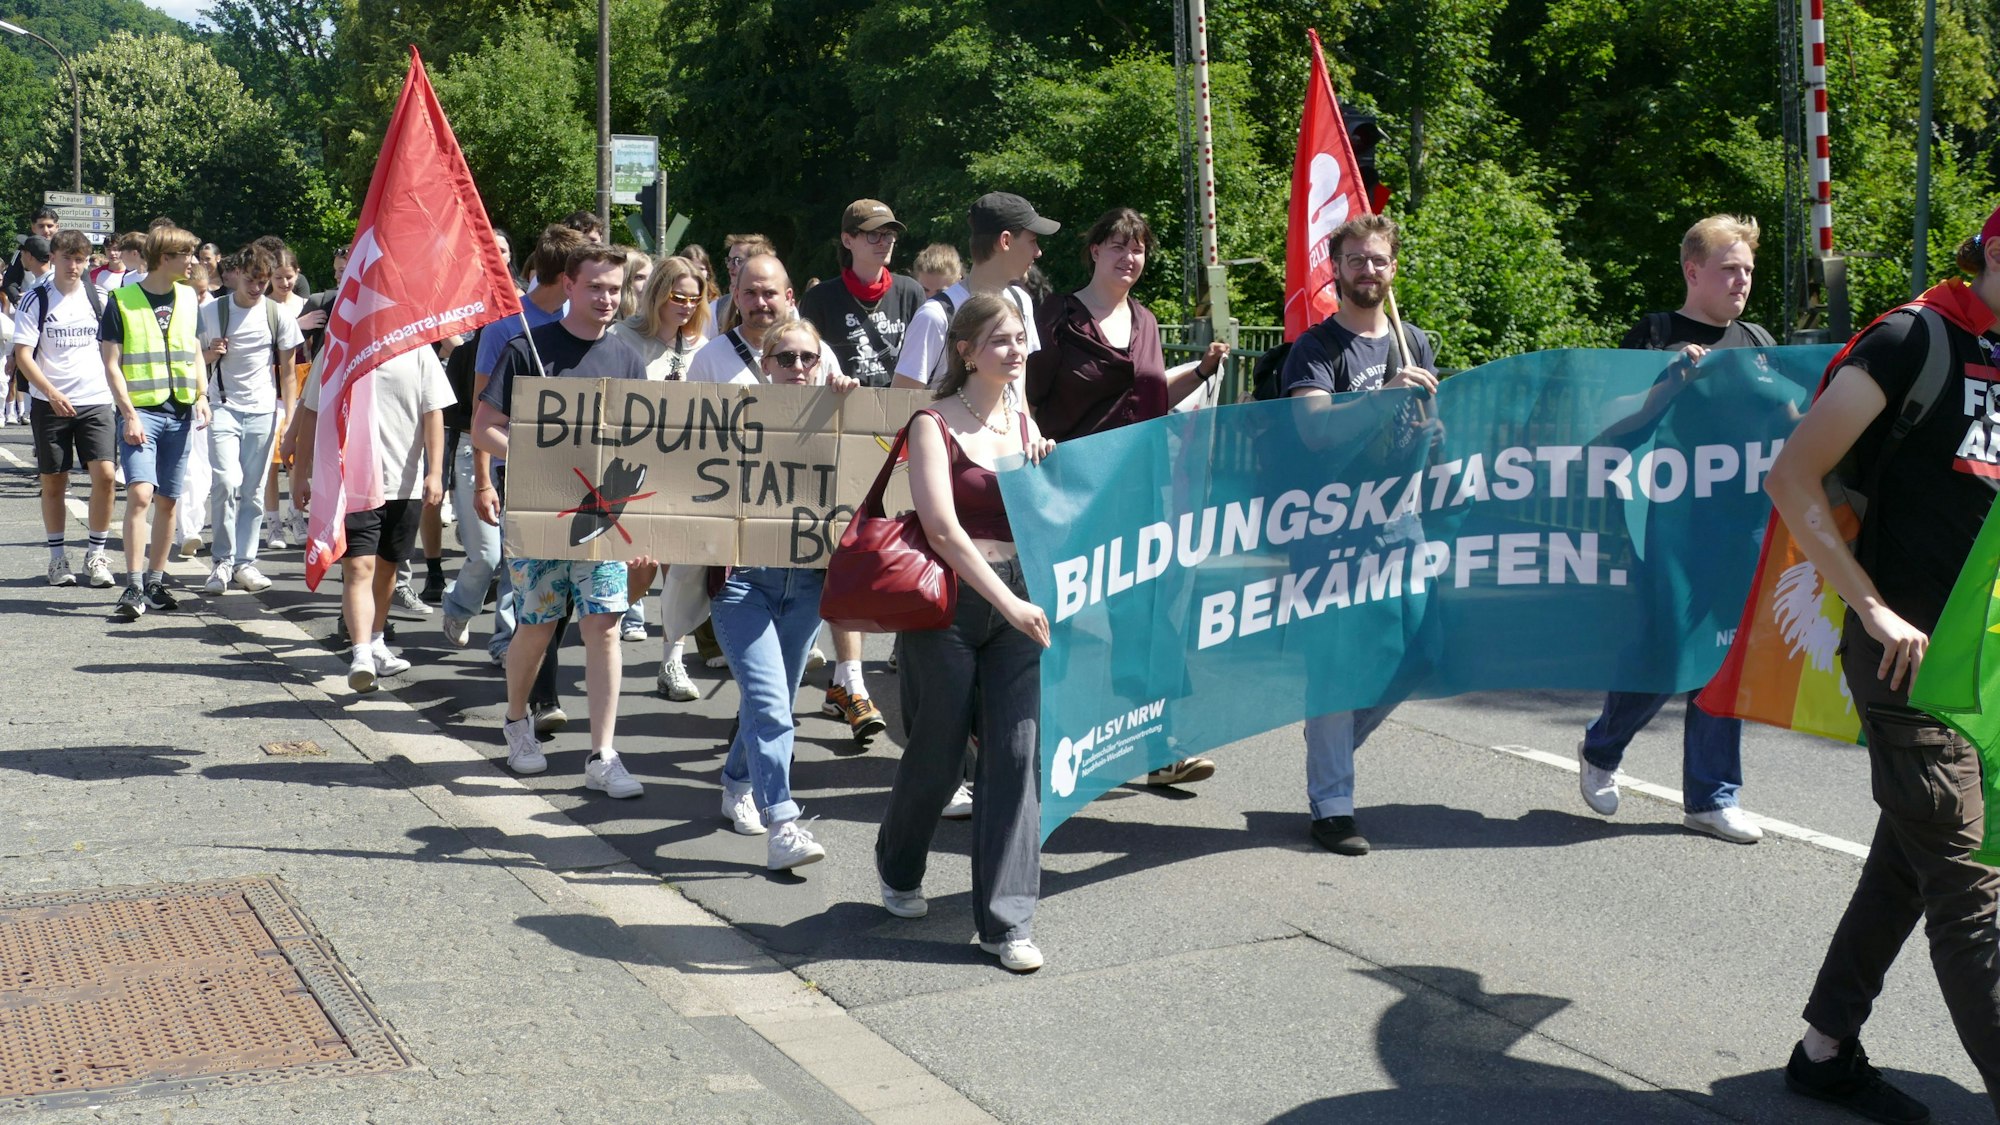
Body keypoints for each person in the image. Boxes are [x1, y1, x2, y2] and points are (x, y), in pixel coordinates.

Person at [1763, 213, 2000, 1125]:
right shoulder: (1916, 337)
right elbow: (1794, 475)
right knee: (1971, 894)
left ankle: (1825, 1050)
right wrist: (1870, 604)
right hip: (1912, 666)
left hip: (1983, 671)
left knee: (1908, 861)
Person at [1574, 215, 1772, 844]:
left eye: (1747, 269)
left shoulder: (1759, 338)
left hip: (1741, 527)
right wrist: (1667, 381)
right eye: (1728, 268)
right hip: (1669, 524)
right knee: (1667, 652)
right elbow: (1612, 425)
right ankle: (1603, 749)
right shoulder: (1656, 334)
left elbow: (1790, 417)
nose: (1741, 280)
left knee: (1724, 653)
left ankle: (1712, 797)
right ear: (1693, 271)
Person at [876, 294, 1055, 972]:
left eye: (1020, 340)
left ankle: (1008, 923)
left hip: (1018, 605)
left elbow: (1040, 509)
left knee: (1015, 757)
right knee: (939, 755)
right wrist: (1008, 603)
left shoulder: (1021, 415)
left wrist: (1043, 457)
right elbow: (944, 531)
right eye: (1002, 341)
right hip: (949, 607)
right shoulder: (932, 422)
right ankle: (897, 863)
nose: (1016, 351)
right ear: (966, 350)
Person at [1027, 207, 1229, 788]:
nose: (1128, 258)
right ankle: (1036, 743)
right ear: (1094, 251)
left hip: (1137, 488)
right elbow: (1026, 399)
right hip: (1069, 491)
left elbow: (1149, 398)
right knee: (1054, 616)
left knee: (1144, 617)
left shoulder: (1145, 320)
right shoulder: (1057, 316)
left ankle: (1158, 745)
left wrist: (1201, 371)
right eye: (1117, 245)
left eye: (1138, 248)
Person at [1279, 213, 1439, 856]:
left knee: (1421, 651)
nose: (1367, 270)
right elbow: (1316, 432)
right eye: (1355, 260)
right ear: (1335, 269)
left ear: (1392, 267)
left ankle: (1331, 741)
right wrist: (1383, 398)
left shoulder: (1415, 342)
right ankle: (1333, 804)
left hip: (1403, 524)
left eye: (1378, 260)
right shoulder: (1316, 350)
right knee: (1336, 668)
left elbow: (1424, 426)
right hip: (1332, 531)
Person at [472, 243, 651, 798]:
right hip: (540, 514)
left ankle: (603, 753)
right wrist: (544, 461)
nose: (606, 298)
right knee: (538, 624)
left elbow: (644, 443)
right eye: (595, 287)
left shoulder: (626, 359)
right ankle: (518, 721)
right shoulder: (530, 348)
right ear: (569, 286)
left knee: (603, 626)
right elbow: (485, 428)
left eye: (615, 289)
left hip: (604, 516)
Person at [710, 315, 860, 868]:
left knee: (767, 700)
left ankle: (734, 782)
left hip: (808, 588)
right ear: (765, 365)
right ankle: (784, 825)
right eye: (786, 358)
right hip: (745, 584)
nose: (799, 367)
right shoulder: (735, 417)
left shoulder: (837, 415)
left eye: (808, 358)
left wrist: (850, 405)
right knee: (773, 705)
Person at [800, 199, 927, 744]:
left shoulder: (913, 295)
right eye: (872, 234)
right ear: (848, 239)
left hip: (901, 440)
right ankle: (849, 678)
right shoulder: (822, 298)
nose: (884, 242)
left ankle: (885, 663)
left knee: (906, 548)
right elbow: (803, 362)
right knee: (845, 554)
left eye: (890, 234)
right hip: (844, 443)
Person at [459, 225, 585, 709]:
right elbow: (481, 411)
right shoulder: (506, 328)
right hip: (526, 478)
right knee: (538, 594)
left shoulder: (589, 327)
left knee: (572, 596)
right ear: (565, 278)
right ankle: (541, 698)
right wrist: (485, 481)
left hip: (583, 484)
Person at [293, 338, 450, 692]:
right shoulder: (340, 346)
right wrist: (300, 472)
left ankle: (376, 640)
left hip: (403, 481)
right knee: (358, 567)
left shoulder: (419, 348)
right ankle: (361, 651)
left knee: (388, 567)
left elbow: (434, 412)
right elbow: (312, 412)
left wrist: (435, 472)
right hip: (353, 481)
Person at [607, 256, 712, 678]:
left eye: (695, 298)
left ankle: (673, 659)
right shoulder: (621, 338)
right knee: (640, 567)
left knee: (682, 569)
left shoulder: (703, 345)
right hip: (631, 467)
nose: (687, 306)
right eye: (677, 297)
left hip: (685, 470)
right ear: (656, 295)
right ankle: (606, 632)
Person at [99, 225, 209, 620]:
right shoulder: (122, 300)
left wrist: (202, 395)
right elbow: (111, 365)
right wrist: (128, 414)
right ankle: (132, 584)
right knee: (141, 495)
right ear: (166, 258)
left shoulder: (187, 297)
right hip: (140, 412)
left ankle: (156, 580)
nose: (193, 262)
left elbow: (194, 350)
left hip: (179, 410)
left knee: (169, 501)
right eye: (187, 255)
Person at [196, 244, 303, 596]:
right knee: (226, 482)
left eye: (263, 281)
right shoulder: (213, 312)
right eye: (252, 281)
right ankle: (222, 561)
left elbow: (288, 372)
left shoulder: (277, 315)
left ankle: (245, 562)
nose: (257, 288)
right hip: (223, 406)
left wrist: (289, 415)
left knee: (254, 491)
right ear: (236, 274)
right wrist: (212, 353)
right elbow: (194, 359)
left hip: (263, 411)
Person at [12, 230, 116, 589]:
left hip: (96, 399)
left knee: (104, 475)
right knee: (54, 480)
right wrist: (50, 391)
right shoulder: (35, 298)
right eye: (68, 258)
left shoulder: (99, 297)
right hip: (50, 402)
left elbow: (112, 349)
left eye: (81, 259)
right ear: (53, 257)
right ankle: (58, 558)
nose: (75, 266)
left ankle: (97, 554)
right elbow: (24, 354)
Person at [437, 229, 523, 654]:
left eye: (502, 250)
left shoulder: (527, 314)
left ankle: (506, 639)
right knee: (487, 556)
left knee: (514, 554)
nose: (496, 257)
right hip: (474, 443)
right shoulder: (458, 306)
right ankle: (458, 604)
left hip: (518, 448)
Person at [892, 192, 1055, 391]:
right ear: (1005, 241)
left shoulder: (1021, 302)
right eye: (1033, 241)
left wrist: (1025, 422)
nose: (1038, 252)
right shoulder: (936, 316)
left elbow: (1017, 395)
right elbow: (901, 404)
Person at [687, 253, 847, 385]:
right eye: (750, 293)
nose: (760, 303)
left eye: (769, 293)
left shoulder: (816, 353)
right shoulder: (709, 359)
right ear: (736, 297)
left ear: (788, 297)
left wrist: (844, 392)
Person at [3, 235, 52, 425]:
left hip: (41, 359)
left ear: (28, 256)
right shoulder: (50, 283)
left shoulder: (35, 291)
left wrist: (14, 355)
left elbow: (28, 330)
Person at [709, 233, 775, 339]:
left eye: (737, 261)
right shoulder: (716, 308)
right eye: (729, 260)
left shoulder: (785, 308)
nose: (729, 266)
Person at [1, 208, 59, 309]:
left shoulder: (65, 251)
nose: (46, 230)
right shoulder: (23, 252)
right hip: (30, 307)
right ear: (33, 228)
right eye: (41, 226)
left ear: (57, 227)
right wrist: (17, 299)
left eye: (50, 226)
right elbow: (10, 281)